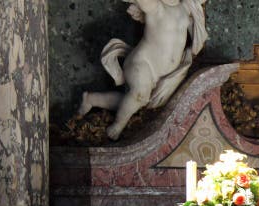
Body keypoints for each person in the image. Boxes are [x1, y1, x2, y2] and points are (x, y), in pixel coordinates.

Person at [78, 0, 207, 140]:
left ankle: (91, 99)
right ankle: (118, 125)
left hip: (161, 74)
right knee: (139, 96)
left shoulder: (185, 8)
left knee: (135, 101)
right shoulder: (156, 7)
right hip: (142, 64)